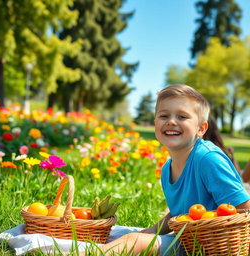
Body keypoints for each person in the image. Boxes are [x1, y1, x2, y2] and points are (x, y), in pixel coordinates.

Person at [79, 84, 250, 256]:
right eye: (163, 116)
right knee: (117, 233)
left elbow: (244, 208)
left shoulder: (207, 159)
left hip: (210, 246)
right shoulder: (167, 169)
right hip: (186, 239)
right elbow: (177, 215)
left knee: (133, 241)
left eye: (182, 116)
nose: (171, 121)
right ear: (155, 124)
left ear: (201, 128)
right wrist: (150, 231)